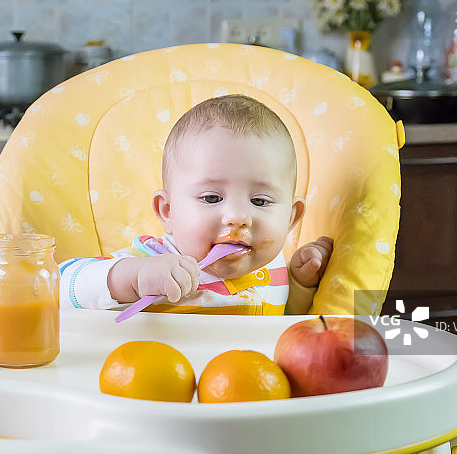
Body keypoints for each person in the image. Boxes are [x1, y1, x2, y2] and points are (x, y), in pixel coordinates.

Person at [59, 94, 333, 315]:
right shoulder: (151, 263)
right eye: (212, 198)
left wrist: (300, 284)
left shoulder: (273, 266)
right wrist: (133, 279)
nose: (238, 217)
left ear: (290, 218)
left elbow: (284, 327)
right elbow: (60, 286)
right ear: (167, 211)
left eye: (259, 201)